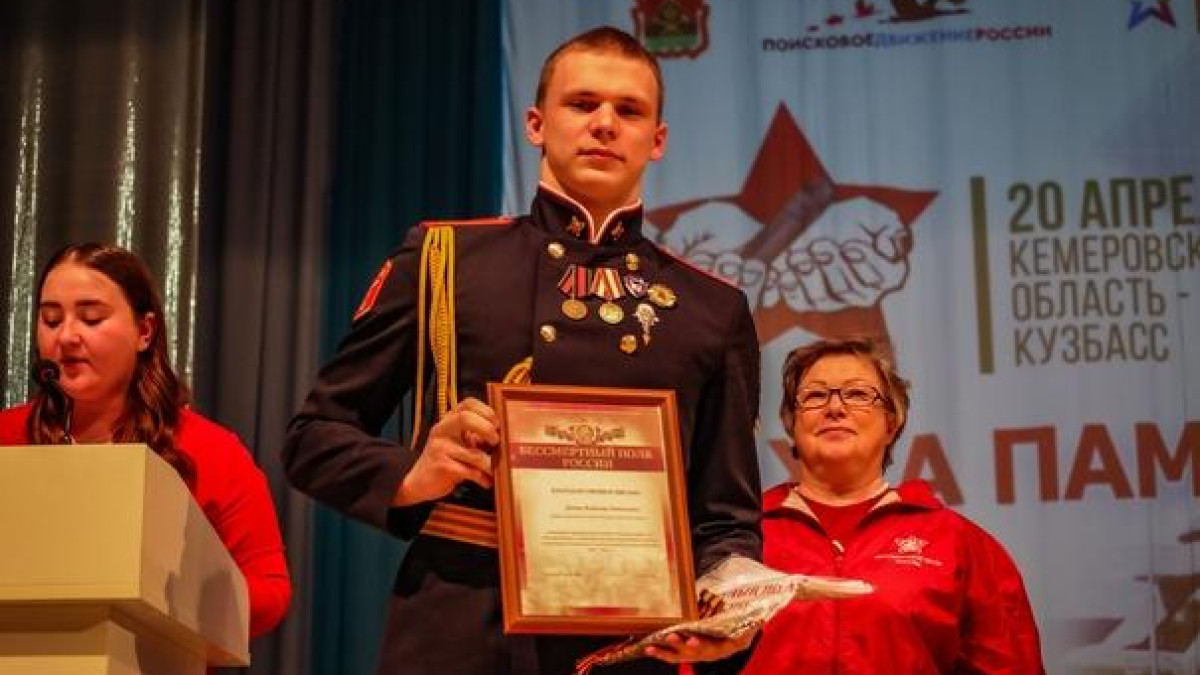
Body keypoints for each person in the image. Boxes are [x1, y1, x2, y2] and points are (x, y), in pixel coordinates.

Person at [283, 26, 761, 675]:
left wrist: (732, 611)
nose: (604, 123)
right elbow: (313, 438)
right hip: (458, 629)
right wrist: (416, 472)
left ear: (657, 139)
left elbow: (725, 519)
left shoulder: (712, 307)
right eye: (582, 103)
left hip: (630, 642)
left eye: (628, 110)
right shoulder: (443, 259)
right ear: (536, 124)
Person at [0, 242, 292, 640]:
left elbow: (271, 591)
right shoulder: (8, 436)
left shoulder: (212, 451)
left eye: (90, 318)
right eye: (51, 320)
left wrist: (178, 596)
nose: (66, 336)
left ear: (144, 331)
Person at [741, 336, 1045, 674]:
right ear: (791, 424)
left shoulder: (957, 543)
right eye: (815, 396)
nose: (835, 408)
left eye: (858, 394)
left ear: (892, 422)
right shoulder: (740, 538)